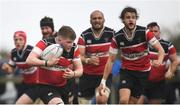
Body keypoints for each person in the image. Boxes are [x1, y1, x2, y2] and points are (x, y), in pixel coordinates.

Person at [98, 6, 165, 104]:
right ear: (123, 20)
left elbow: (161, 50)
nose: (131, 19)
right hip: (127, 72)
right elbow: (111, 60)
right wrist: (103, 81)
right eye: (128, 17)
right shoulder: (117, 37)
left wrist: (159, 60)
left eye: (133, 17)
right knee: (124, 100)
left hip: (143, 73)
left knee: (132, 102)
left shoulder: (145, 32)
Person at [15, 26, 83, 104]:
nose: (71, 45)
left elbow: (80, 70)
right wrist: (47, 63)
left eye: (72, 42)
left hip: (63, 87)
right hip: (45, 86)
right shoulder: (45, 43)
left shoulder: (74, 48)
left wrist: (73, 74)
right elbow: (29, 60)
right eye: (68, 42)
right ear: (59, 39)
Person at [77, 10, 115, 104]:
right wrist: (88, 60)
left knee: (102, 101)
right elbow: (79, 56)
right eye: (94, 18)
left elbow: (122, 50)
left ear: (104, 20)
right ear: (90, 21)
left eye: (99, 18)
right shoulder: (84, 36)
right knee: (83, 102)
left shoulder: (112, 34)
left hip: (104, 75)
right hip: (87, 75)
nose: (97, 20)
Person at [137, 22, 178, 104]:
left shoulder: (167, 45)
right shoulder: (140, 44)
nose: (153, 33)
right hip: (141, 80)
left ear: (159, 32)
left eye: (155, 31)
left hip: (158, 83)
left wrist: (171, 71)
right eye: (150, 31)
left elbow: (175, 61)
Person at [1, 31, 38, 101]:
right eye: (16, 39)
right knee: (17, 102)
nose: (18, 42)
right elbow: (10, 71)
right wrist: (6, 68)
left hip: (37, 83)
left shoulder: (31, 50)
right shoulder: (13, 52)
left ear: (25, 40)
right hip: (25, 82)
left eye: (20, 39)